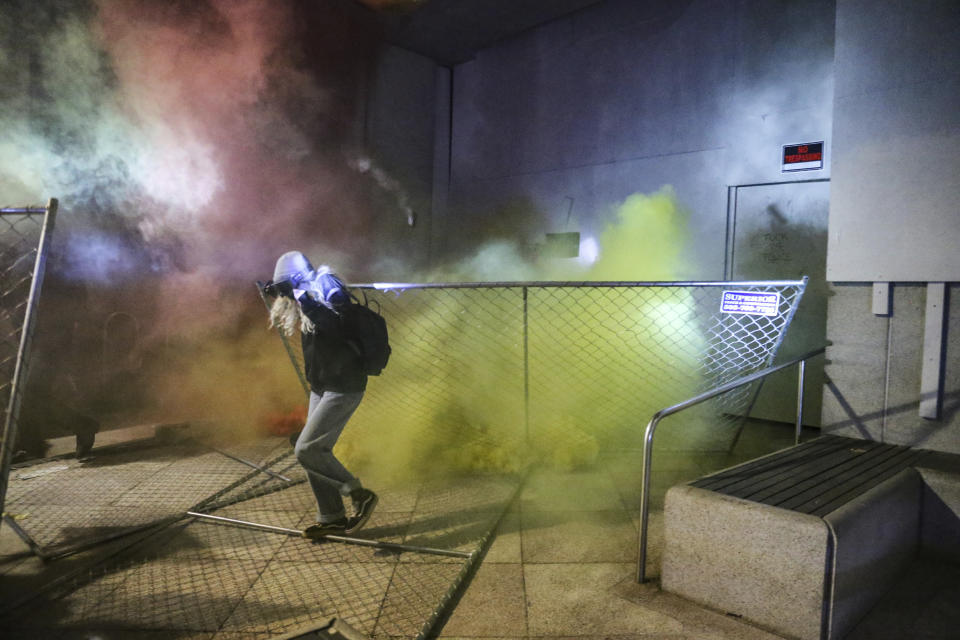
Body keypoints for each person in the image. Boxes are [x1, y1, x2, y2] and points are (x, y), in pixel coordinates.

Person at [267, 251, 378, 538]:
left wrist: (305, 297)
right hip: (323, 385)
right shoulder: (304, 297)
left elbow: (336, 327)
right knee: (313, 452)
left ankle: (358, 494)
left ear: (296, 279)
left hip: (344, 385)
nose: (285, 295)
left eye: (285, 287)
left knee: (306, 449)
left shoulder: (326, 284)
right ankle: (332, 517)